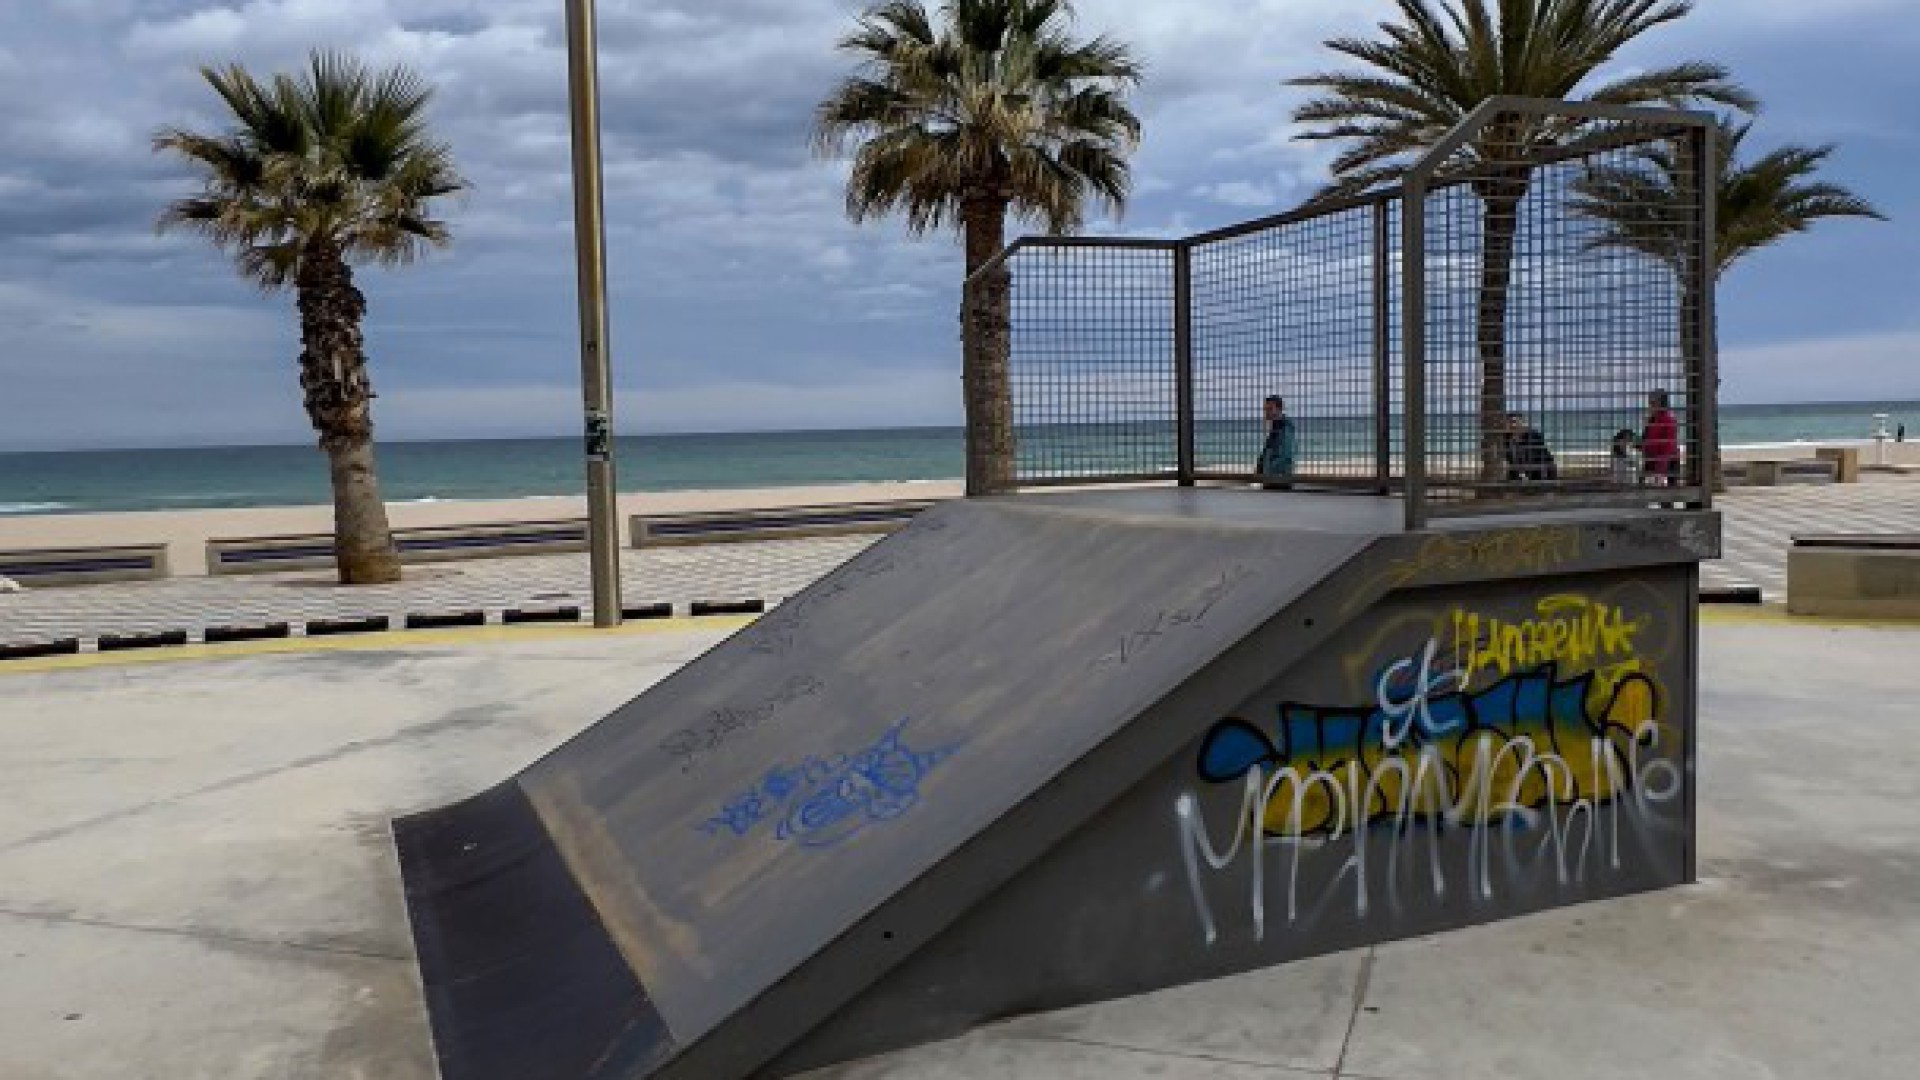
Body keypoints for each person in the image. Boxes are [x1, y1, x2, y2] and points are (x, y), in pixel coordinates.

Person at [1640, 389, 1679, 487]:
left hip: (1667, 462)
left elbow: (1668, 446)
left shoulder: (1668, 420)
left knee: (1667, 495)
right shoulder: (1652, 419)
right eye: (1650, 402)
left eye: (1652, 403)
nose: (1650, 405)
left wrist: (1660, 470)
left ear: (1661, 403)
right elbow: (1646, 440)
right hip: (1652, 460)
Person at [1503, 412, 1557, 482]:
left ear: (1522, 422)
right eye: (1509, 422)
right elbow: (1510, 458)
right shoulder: (1507, 438)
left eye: (1514, 422)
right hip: (1518, 470)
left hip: (1539, 469)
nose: (1512, 425)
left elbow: (1539, 457)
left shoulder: (1533, 435)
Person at [1257, 395, 1296, 489]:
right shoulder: (1276, 426)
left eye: (1270, 409)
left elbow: (1285, 454)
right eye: (1265, 409)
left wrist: (1269, 471)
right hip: (1273, 478)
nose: (1266, 412)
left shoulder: (1285, 427)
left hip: (1278, 479)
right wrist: (1260, 467)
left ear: (1279, 409)